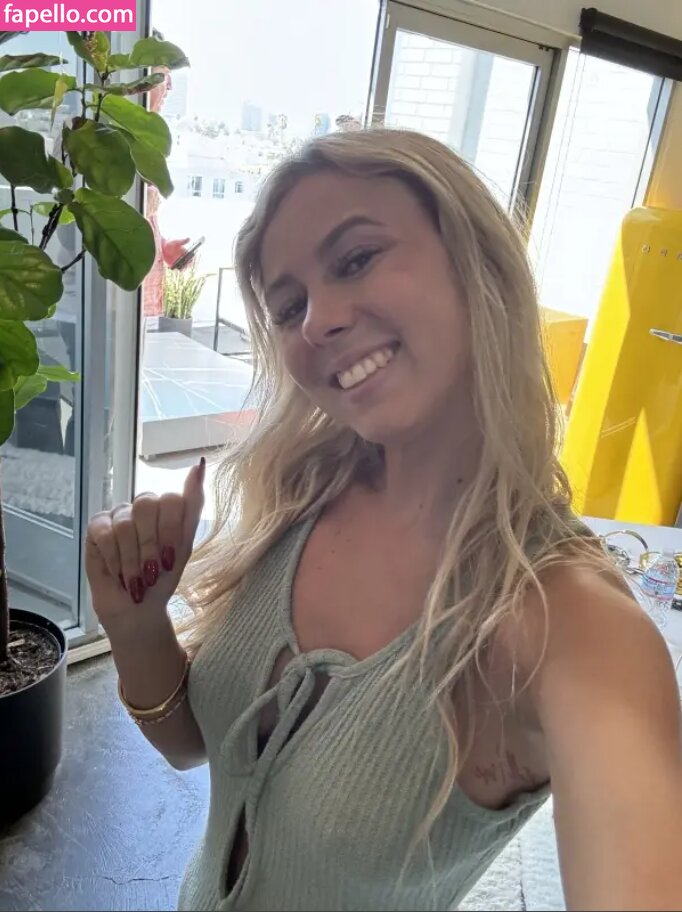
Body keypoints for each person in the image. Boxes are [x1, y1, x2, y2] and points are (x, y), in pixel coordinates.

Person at [85, 129, 682, 911]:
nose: (316, 322)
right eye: (289, 305)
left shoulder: (567, 623)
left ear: (475, 260)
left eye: (357, 258)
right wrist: (135, 624)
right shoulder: (299, 496)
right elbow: (195, 744)